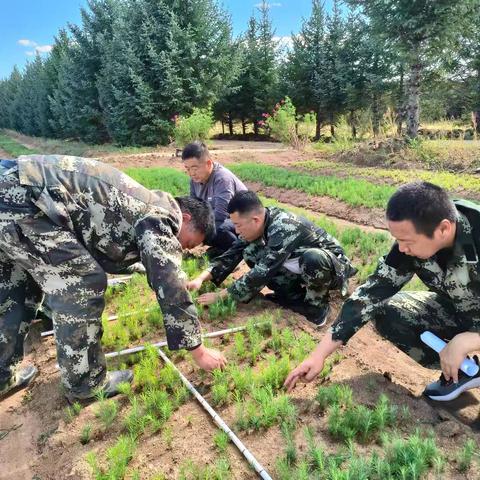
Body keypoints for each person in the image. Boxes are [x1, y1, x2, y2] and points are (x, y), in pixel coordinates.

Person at [0, 155, 226, 403]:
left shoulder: (141, 206)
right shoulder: (163, 215)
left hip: (13, 192)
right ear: (187, 218)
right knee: (81, 283)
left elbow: (112, 247)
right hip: (24, 200)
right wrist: (199, 350)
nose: (182, 248)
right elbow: (168, 281)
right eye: (189, 242)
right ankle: (85, 385)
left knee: (18, 287)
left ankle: (1, 376)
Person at [285, 182, 480, 402]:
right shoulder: (409, 244)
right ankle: (462, 370)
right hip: (460, 310)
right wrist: (318, 356)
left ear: (443, 229)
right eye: (398, 240)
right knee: (386, 310)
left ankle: (463, 350)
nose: (402, 249)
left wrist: (470, 340)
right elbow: (369, 297)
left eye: (407, 241)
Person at [187, 191, 356, 326]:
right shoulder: (260, 224)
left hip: (332, 268)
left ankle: (316, 308)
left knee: (313, 257)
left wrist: (221, 295)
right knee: (251, 251)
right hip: (298, 262)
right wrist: (200, 279)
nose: (236, 231)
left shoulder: (284, 226)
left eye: (238, 225)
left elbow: (263, 271)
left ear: (255, 220)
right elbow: (232, 254)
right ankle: (293, 296)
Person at [182, 141, 247, 256]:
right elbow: (194, 210)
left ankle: (235, 253)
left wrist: (197, 232)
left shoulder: (222, 178)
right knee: (198, 227)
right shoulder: (194, 181)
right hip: (223, 221)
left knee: (215, 229)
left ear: (208, 163)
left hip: (243, 222)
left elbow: (220, 215)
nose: (191, 173)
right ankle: (221, 249)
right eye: (187, 169)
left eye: (195, 168)